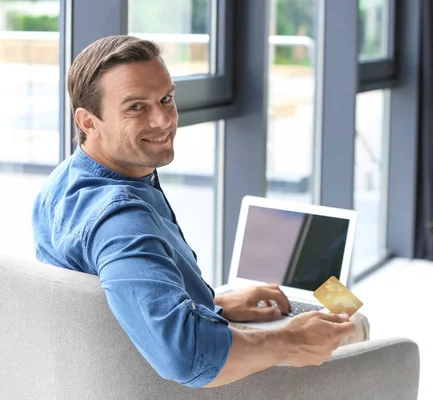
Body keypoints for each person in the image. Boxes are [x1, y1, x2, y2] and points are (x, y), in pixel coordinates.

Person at [32, 35, 356, 388]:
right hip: (183, 388)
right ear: (88, 121)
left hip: (101, 377)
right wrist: (290, 340)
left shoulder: (64, 182)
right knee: (357, 326)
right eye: (136, 107)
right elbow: (186, 355)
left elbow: (124, 298)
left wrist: (216, 304)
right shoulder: (122, 219)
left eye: (166, 99)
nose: (163, 120)